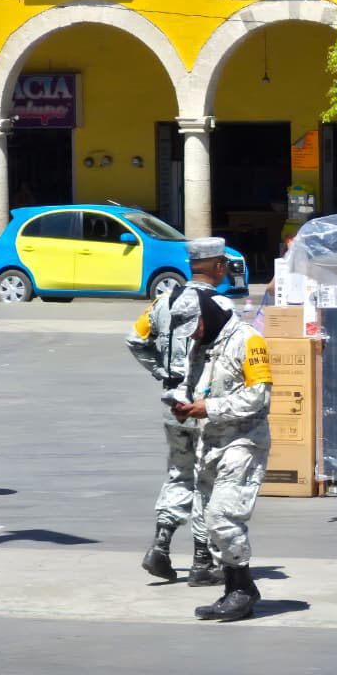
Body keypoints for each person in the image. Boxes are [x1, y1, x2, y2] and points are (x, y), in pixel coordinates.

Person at [126, 237, 237, 585]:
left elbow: (135, 339)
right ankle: (202, 561)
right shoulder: (220, 305)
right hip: (204, 406)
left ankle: (161, 546)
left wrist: (164, 373)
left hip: (173, 402)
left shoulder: (163, 300)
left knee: (178, 473)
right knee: (207, 480)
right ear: (217, 266)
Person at [166, 288, 273, 622]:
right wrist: (183, 403)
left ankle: (244, 589)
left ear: (206, 314)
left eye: (195, 326)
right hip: (210, 443)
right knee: (209, 520)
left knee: (224, 518)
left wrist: (208, 407)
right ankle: (231, 588)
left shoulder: (249, 341)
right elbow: (191, 384)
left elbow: (258, 397)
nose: (194, 334)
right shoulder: (202, 345)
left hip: (244, 443)